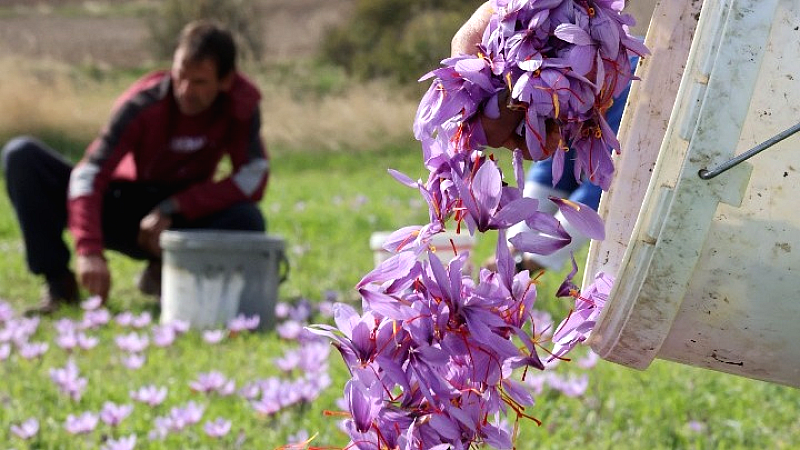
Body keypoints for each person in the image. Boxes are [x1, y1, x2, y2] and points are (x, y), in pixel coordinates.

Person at [1, 20, 270, 314]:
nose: (184, 90)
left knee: (247, 219)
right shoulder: (144, 102)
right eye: (180, 75)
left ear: (226, 81)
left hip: (179, 219)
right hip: (123, 206)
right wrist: (89, 249)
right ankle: (59, 285)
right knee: (22, 156)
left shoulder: (240, 105)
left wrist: (175, 206)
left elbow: (251, 178)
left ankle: (168, 271)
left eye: (199, 82)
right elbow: (90, 173)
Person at [451, 1, 638, 273]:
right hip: (581, 67)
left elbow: (602, 184)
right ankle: (520, 254)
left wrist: (528, 261)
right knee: (561, 146)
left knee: (605, 167)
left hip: (620, 73)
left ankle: (528, 260)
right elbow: (552, 165)